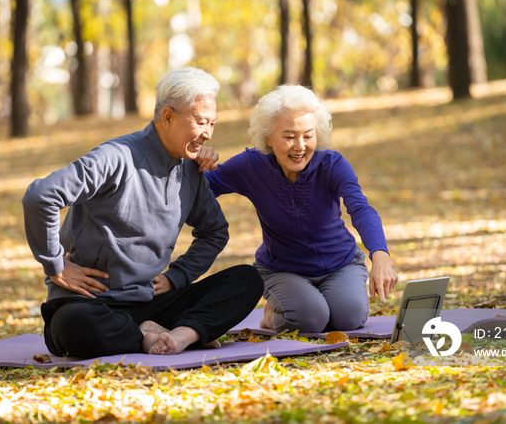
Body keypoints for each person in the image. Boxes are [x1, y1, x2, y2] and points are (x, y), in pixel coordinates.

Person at [22, 67, 263, 359]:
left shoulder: (190, 170)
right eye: (200, 122)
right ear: (168, 117)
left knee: (247, 280)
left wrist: (178, 276)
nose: (207, 134)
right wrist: (56, 264)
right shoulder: (116, 157)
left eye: (212, 124)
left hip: (151, 301)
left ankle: (181, 334)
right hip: (90, 304)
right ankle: (146, 336)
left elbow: (214, 232)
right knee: (74, 326)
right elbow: (41, 196)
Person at [198, 85, 398, 333]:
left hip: (340, 264)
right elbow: (201, 188)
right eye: (289, 136)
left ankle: (311, 302)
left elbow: (361, 209)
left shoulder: (332, 165)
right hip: (282, 269)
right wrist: (196, 159)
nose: (300, 146)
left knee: (349, 318)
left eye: (308, 135)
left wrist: (379, 254)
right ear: (269, 138)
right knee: (310, 320)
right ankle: (271, 315)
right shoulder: (251, 166)